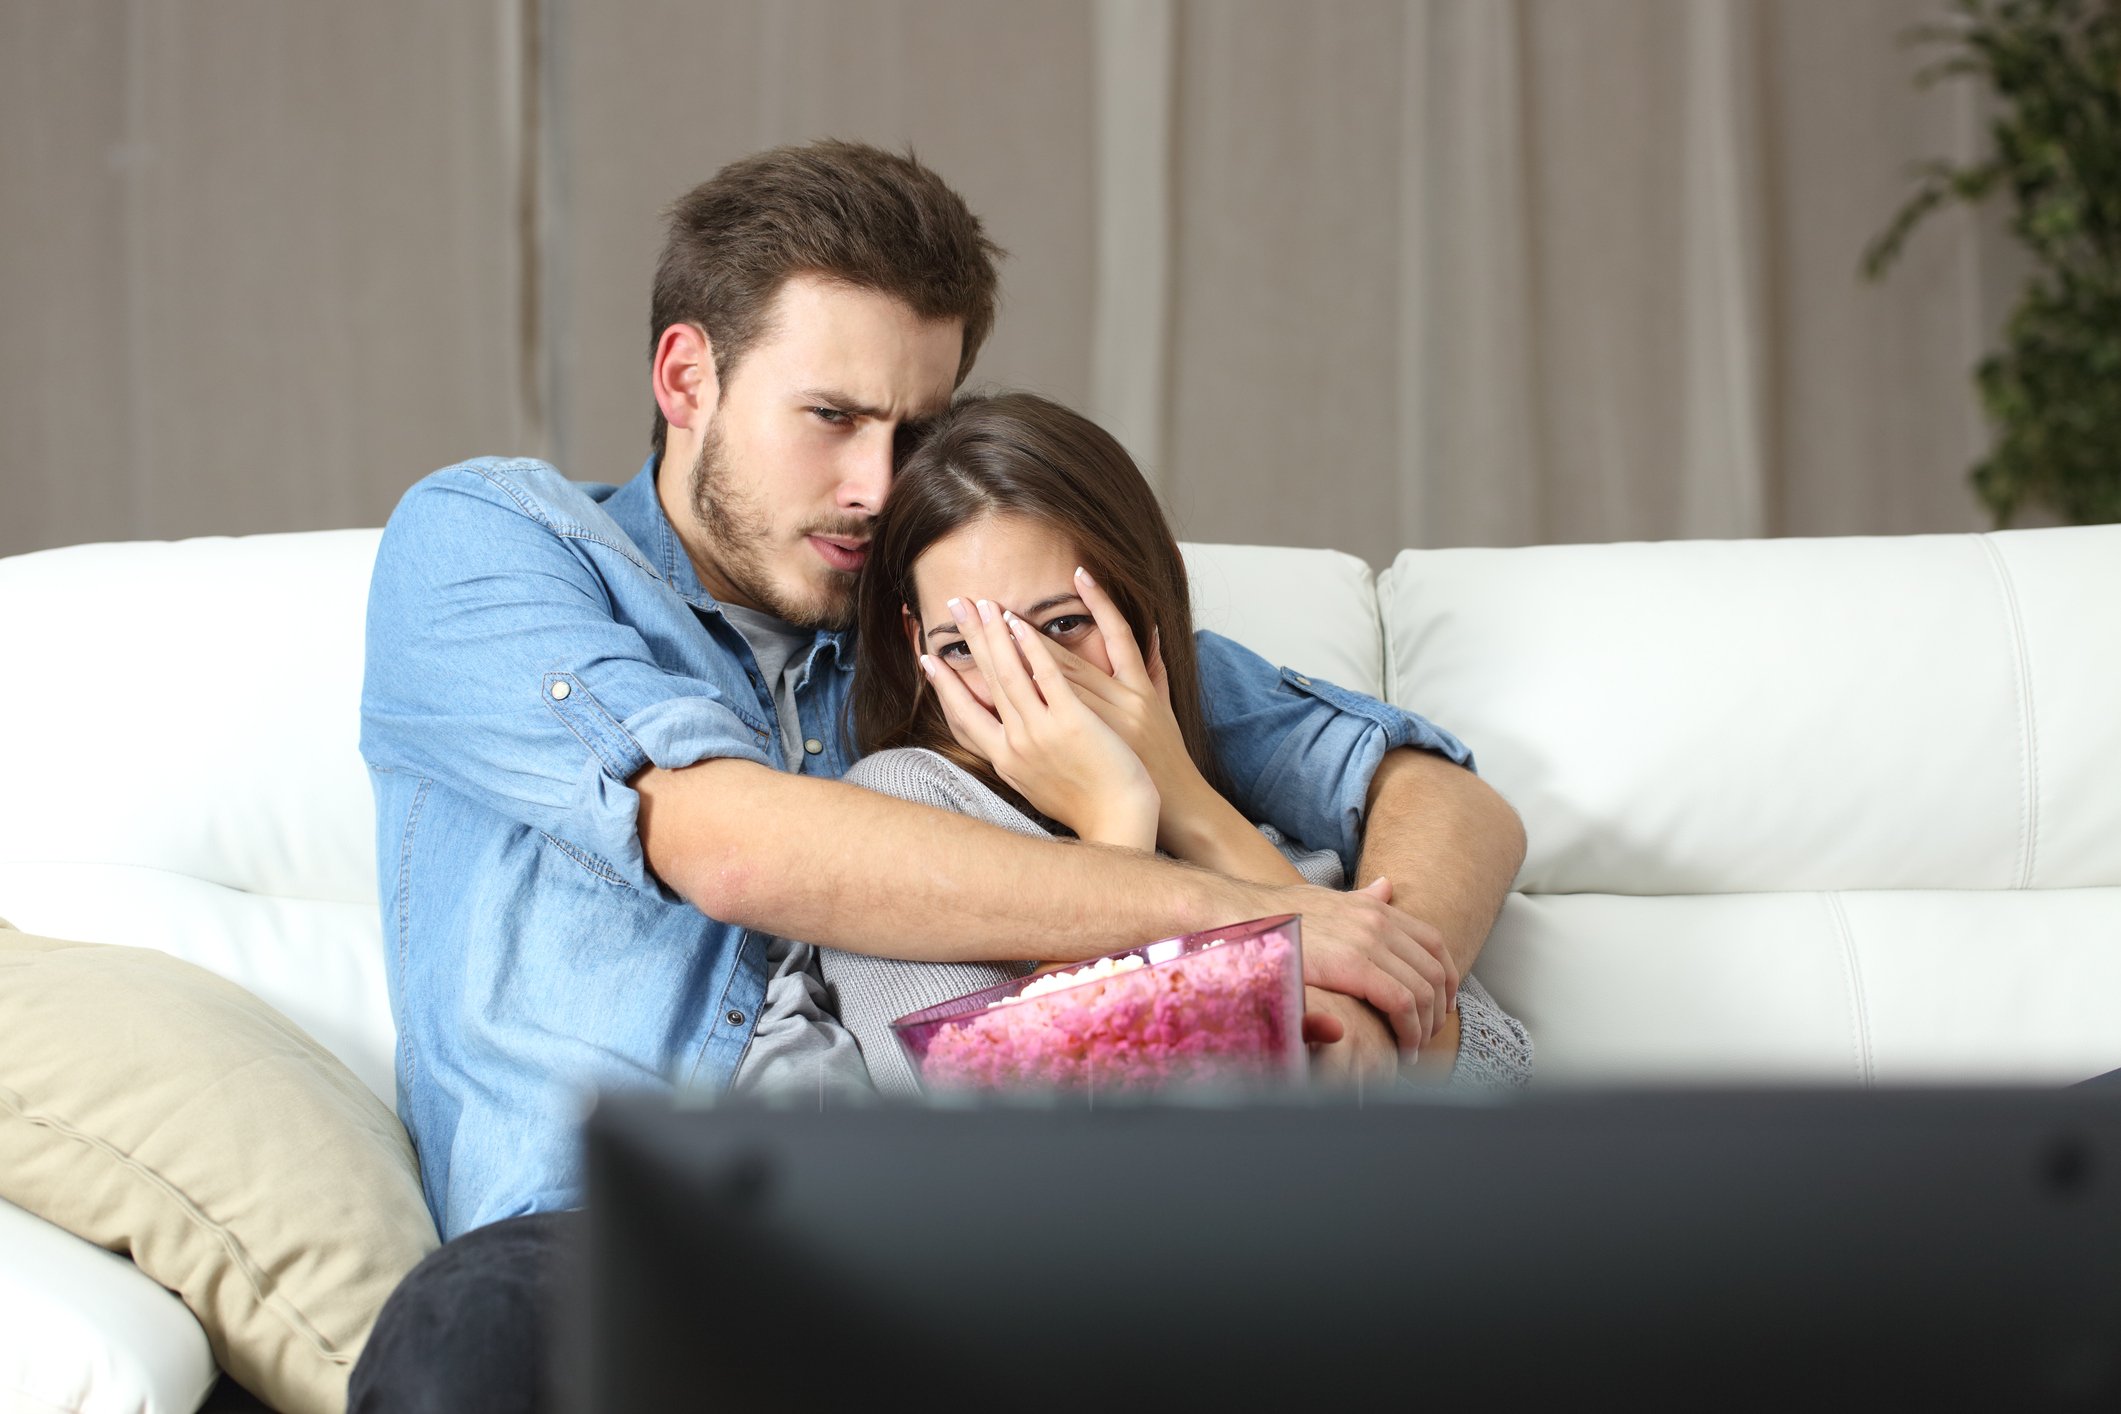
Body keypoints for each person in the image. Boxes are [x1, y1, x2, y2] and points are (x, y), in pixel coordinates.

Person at [350, 140, 1526, 1411]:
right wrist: (1266, 920)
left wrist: (1372, 1002)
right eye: (833, 417)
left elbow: (1430, 792)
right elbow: (728, 843)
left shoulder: (958, 617)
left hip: (914, 1234)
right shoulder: (499, 542)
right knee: (468, 1340)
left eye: (917, 429)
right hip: (604, 1237)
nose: (875, 485)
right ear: (687, 376)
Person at [731, 391, 1531, 1101]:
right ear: (917, 645)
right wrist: (1114, 819)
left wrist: (1184, 800)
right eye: (969, 644)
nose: (1030, 682)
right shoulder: (904, 802)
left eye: (1062, 625)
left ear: (1141, 606)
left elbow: (1497, 1071)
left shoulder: (1232, 755)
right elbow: (1002, 1121)